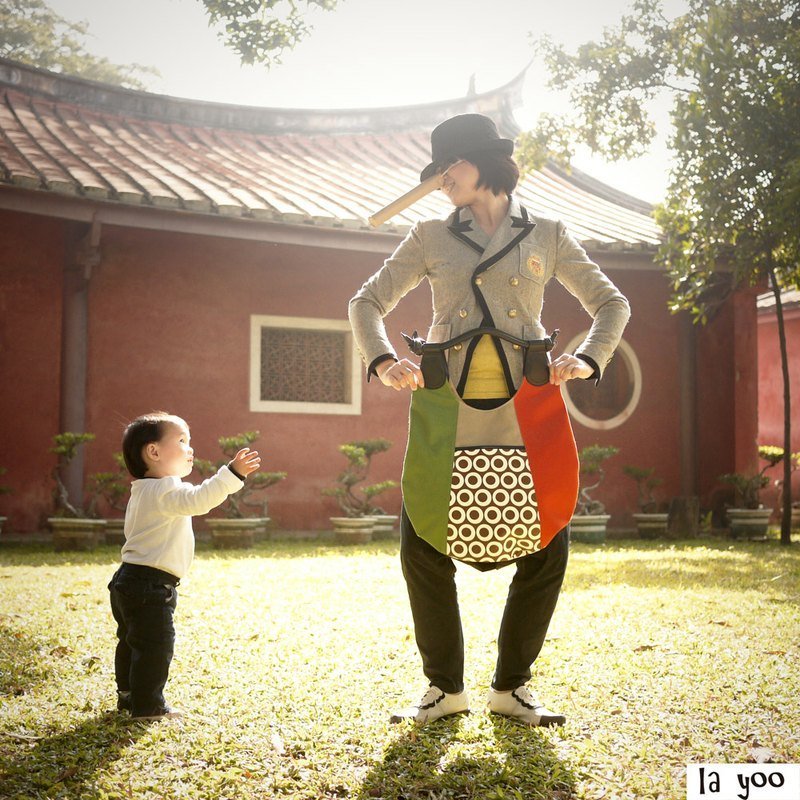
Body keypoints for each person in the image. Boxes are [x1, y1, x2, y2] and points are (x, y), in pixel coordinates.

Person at [349, 113, 630, 726]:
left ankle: (512, 687)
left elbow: (612, 301)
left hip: (526, 402)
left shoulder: (548, 234)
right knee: (422, 538)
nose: (441, 180)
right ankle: (445, 688)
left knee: (547, 536)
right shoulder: (427, 235)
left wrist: (586, 359)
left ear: (486, 162)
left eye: (451, 166)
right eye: (437, 171)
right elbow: (365, 301)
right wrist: (381, 360)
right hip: (445, 399)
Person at [108, 411, 261, 720]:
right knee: (155, 646)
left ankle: (128, 695)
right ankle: (148, 706)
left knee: (131, 641)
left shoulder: (143, 490)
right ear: (153, 452)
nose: (190, 448)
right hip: (149, 587)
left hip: (129, 581)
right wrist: (231, 474)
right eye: (181, 441)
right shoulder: (164, 490)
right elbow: (200, 499)